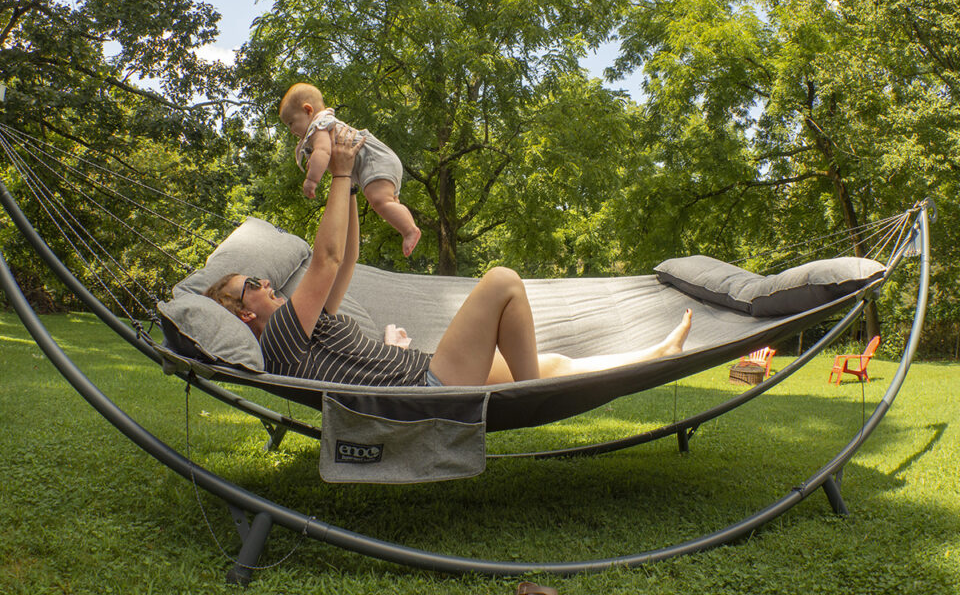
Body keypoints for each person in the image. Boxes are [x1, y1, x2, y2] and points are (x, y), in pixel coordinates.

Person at [206, 124, 692, 387]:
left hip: (425, 368)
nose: (266, 283)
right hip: (430, 387)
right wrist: (340, 170)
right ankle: (532, 400)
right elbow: (327, 258)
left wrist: (351, 186)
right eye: (252, 285)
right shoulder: (283, 337)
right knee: (502, 280)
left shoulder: (304, 330)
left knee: (556, 362)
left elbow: (346, 259)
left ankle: (656, 353)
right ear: (244, 311)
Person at [278, 82, 421, 257]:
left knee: (379, 201)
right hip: (378, 161)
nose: (291, 130)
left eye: (291, 122)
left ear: (308, 110)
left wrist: (311, 180)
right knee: (387, 204)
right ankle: (404, 225)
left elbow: (323, 151)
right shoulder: (321, 126)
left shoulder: (319, 126)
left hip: (374, 160)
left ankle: (409, 230)